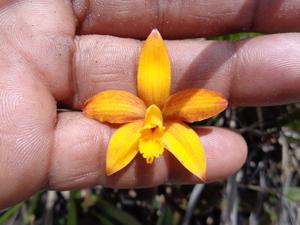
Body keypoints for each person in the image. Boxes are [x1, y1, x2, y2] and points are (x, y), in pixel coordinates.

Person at [1, 0, 300, 210]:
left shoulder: (177, 128)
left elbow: (208, 120)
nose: (154, 124)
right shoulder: (127, 120)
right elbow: (98, 115)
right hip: (136, 122)